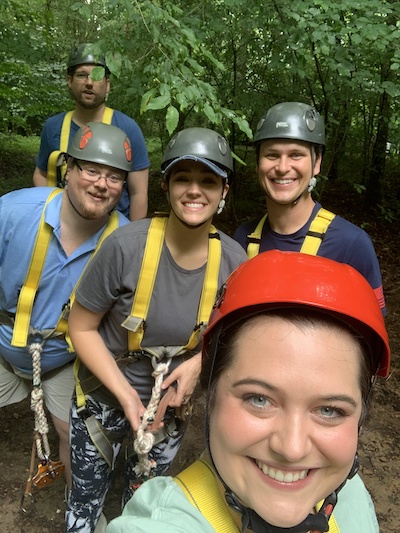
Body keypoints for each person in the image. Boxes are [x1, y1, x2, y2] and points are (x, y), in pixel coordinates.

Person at [106, 250, 390, 533]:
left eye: (330, 410)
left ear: (361, 418)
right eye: (259, 399)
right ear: (211, 394)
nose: (292, 449)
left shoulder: (351, 494)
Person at [66, 127, 248, 532]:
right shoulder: (124, 247)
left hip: (169, 413)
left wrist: (200, 363)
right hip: (101, 399)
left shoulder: (234, 264)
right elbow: (81, 328)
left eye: (208, 181)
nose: (194, 191)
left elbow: (237, 339)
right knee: (84, 503)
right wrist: (127, 396)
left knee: (145, 507)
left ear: (224, 192)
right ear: (165, 185)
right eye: (183, 178)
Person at [0, 122, 130, 491]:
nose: (101, 184)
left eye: (115, 176)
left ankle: (80, 510)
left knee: (74, 433)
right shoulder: (13, 212)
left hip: (64, 358)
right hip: (3, 344)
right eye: (91, 170)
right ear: (68, 170)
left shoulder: (125, 242)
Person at [233, 102, 386, 315]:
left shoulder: (351, 245)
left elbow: (372, 333)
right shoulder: (242, 239)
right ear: (258, 163)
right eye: (272, 155)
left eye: (296, 155)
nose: (283, 167)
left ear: (316, 163)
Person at [33, 43, 150, 220]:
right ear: (69, 80)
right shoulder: (53, 127)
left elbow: (138, 193)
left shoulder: (128, 128)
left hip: (113, 233)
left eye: (97, 76)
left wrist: (133, 240)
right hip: (62, 227)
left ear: (107, 85)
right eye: (81, 75)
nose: (89, 82)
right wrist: (48, 213)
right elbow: (41, 173)